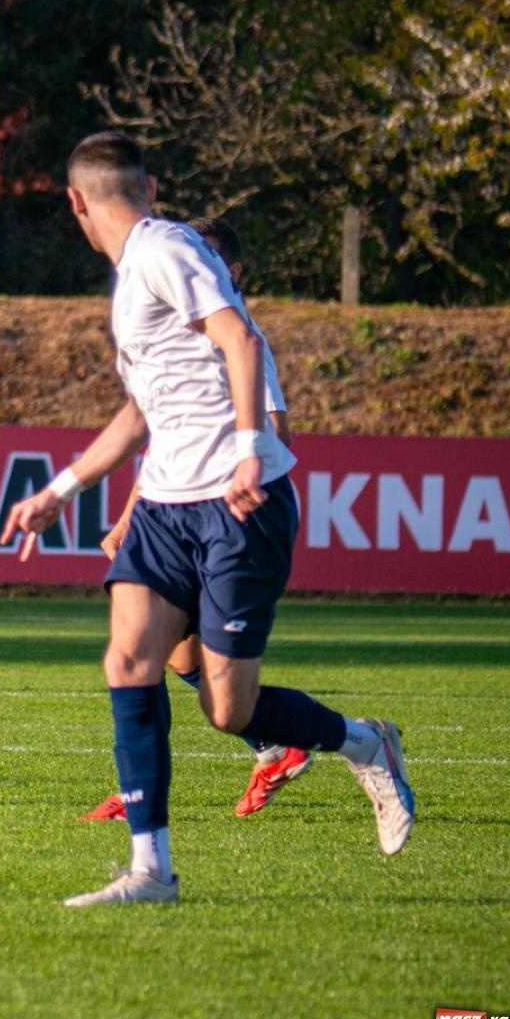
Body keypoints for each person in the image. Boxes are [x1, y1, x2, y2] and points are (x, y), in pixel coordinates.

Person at [1, 132, 414, 905]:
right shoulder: (132, 282)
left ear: (76, 202)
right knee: (129, 661)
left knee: (230, 710)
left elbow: (240, 338)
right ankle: (150, 869)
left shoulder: (164, 250)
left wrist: (252, 450)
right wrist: (62, 488)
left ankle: (366, 743)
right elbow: (139, 413)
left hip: (236, 505)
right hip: (164, 504)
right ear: (149, 184)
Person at [80, 215, 309, 822]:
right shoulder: (180, 340)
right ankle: (263, 748)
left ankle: (150, 791)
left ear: (228, 272)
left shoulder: (238, 338)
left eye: (204, 260)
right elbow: (160, 436)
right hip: (175, 511)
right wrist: (132, 514)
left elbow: (273, 428)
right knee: (166, 657)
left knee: (166, 664)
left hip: (223, 518)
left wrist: (249, 464)